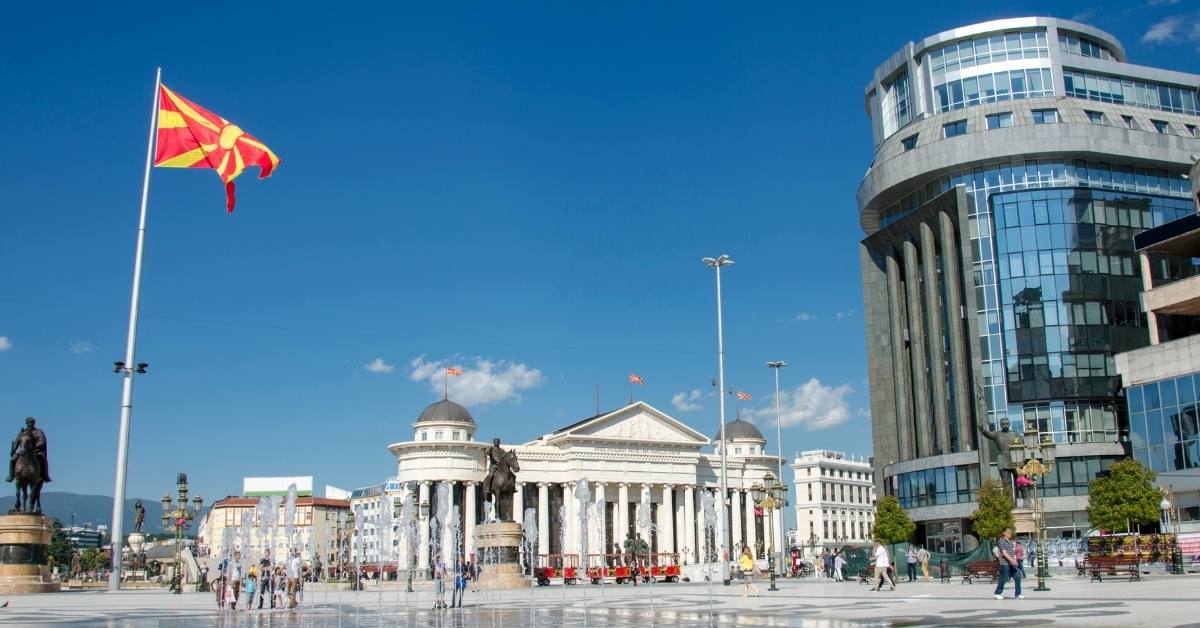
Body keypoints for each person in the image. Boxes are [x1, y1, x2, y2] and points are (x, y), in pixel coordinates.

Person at [993, 527, 1024, 600]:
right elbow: (1004, 553)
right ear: (1004, 533)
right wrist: (1011, 560)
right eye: (1008, 532)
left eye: (1011, 532)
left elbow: (1012, 553)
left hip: (1011, 563)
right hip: (1005, 563)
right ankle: (997, 593)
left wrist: (1014, 560)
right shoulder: (1002, 541)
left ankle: (1018, 594)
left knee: (1018, 576)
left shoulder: (1010, 542)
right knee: (1004, 578)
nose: (1010, 534)